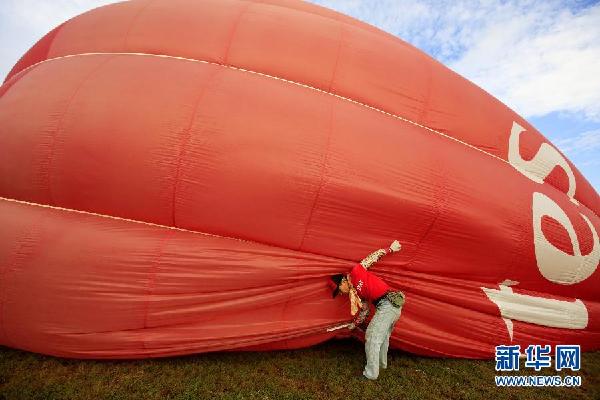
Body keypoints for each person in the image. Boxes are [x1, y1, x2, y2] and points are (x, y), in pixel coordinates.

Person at [328, 240, 405, 380]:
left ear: (343, 282)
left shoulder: (356, 271)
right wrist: (354, 324)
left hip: (389, 303)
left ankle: (370, 375)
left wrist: (391, 249)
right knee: (382, 337)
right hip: (388, 307)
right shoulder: (356, 294)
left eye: (339, 290)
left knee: (372, 336)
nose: (340, 294)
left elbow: (373, 257)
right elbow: (365, 310)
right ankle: (382, 365)